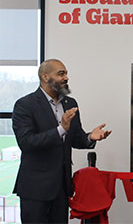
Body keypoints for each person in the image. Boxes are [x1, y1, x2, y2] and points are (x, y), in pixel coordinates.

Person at [12, 59, 112, 223]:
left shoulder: (70, 104)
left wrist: (90, 137)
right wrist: (61, 129)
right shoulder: (25, 105)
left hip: (61, 188)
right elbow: (27, 142)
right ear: (45, 77)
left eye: (66, 74)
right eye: (61, 74)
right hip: (35, 189)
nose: (66, 78)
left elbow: (76, 138)